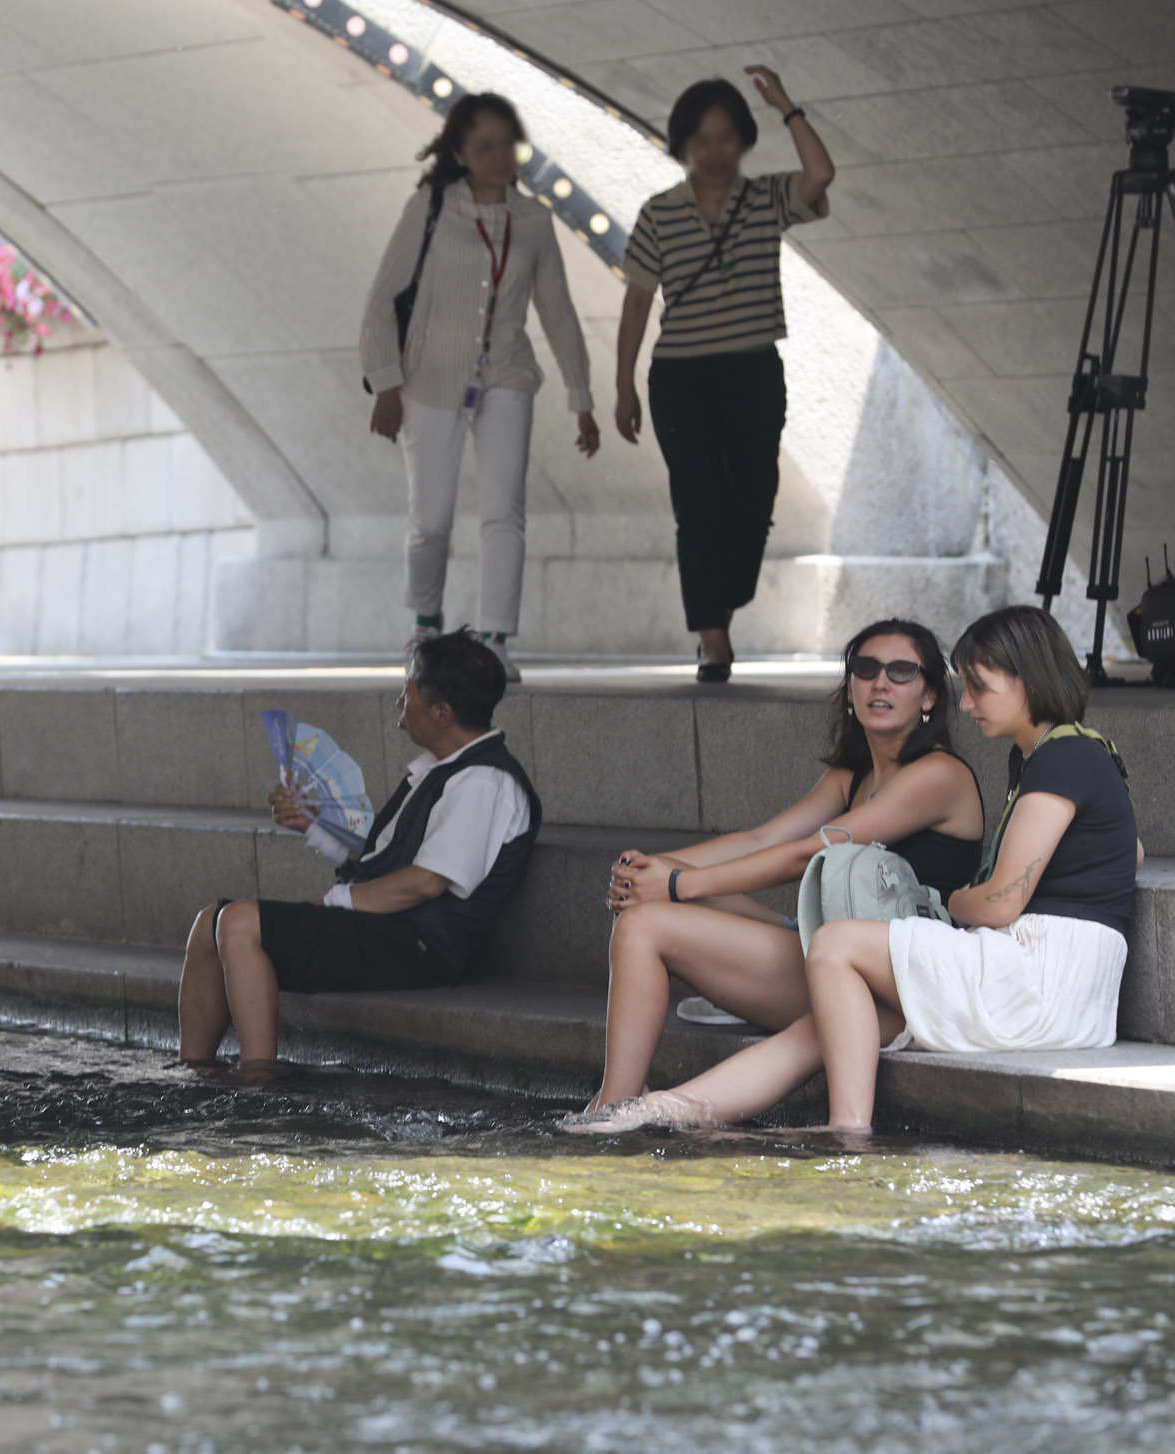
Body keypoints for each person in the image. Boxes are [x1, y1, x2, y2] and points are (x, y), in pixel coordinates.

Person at [577, 606, 1141, 1134]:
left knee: (835, 944)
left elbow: (996, 904)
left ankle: (847, 1130)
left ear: (1027, 680)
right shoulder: (1057, 756)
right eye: (866, 670)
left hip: (1037, 979)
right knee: (815, 1030)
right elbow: (1130, 850)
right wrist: (666, 870)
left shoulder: (1058, 757)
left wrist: (962, 902)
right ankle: (642, 1112)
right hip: (1029, 973)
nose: (967, 704)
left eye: (978, 687)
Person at [588, 619, 984, 1111]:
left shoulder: (939, 775)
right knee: (640, 920)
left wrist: (675, 883)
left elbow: (805, 853)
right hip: (830, 962)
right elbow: (763, 838)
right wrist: (652, 869)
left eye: (902, 672)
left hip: (899, 987)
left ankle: (616, 1108)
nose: (881, 682)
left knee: (657, 910)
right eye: (866, 668)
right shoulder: (851, 776)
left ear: (929, 698)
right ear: (850, 689)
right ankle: (612, 1106)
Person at [178, 629, 540, 1071]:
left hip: (421, 947)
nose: (399, 702)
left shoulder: (485, 781)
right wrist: (314, 828)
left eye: (408, 690)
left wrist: (333, 903)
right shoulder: (441, 771)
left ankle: (257, 1084)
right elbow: (384, 859)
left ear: (442, 713)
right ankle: (193, 1073)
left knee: (238, 924)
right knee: (207, 925)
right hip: (388, 929)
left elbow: (426, 882)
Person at [360, 91, 600, 682]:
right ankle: (425, 626)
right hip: (431, 375)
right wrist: (387, 382)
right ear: (461, 154)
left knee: (504, 510)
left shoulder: (535, 220)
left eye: (506, 143)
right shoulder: (432, 207)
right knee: (432, 517)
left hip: (507, 373)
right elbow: (382, 299)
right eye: (484, 146)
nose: (498, 156)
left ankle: (495, 640)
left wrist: (581, 397)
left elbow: (559, 311)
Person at [612, 67, 836, 682]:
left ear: (742, 140)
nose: (715, 150)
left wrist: (787, 105)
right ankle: (713, 638)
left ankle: (723, 596)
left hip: (752, 371)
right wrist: (623, 384)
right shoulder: (659, 213)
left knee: (755, 491)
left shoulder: (766, 199)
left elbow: (820, 175)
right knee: (698, 503)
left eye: (726, 136)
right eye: (702, 139)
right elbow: (636, 302)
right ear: (684, 144)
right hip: (680, 377)